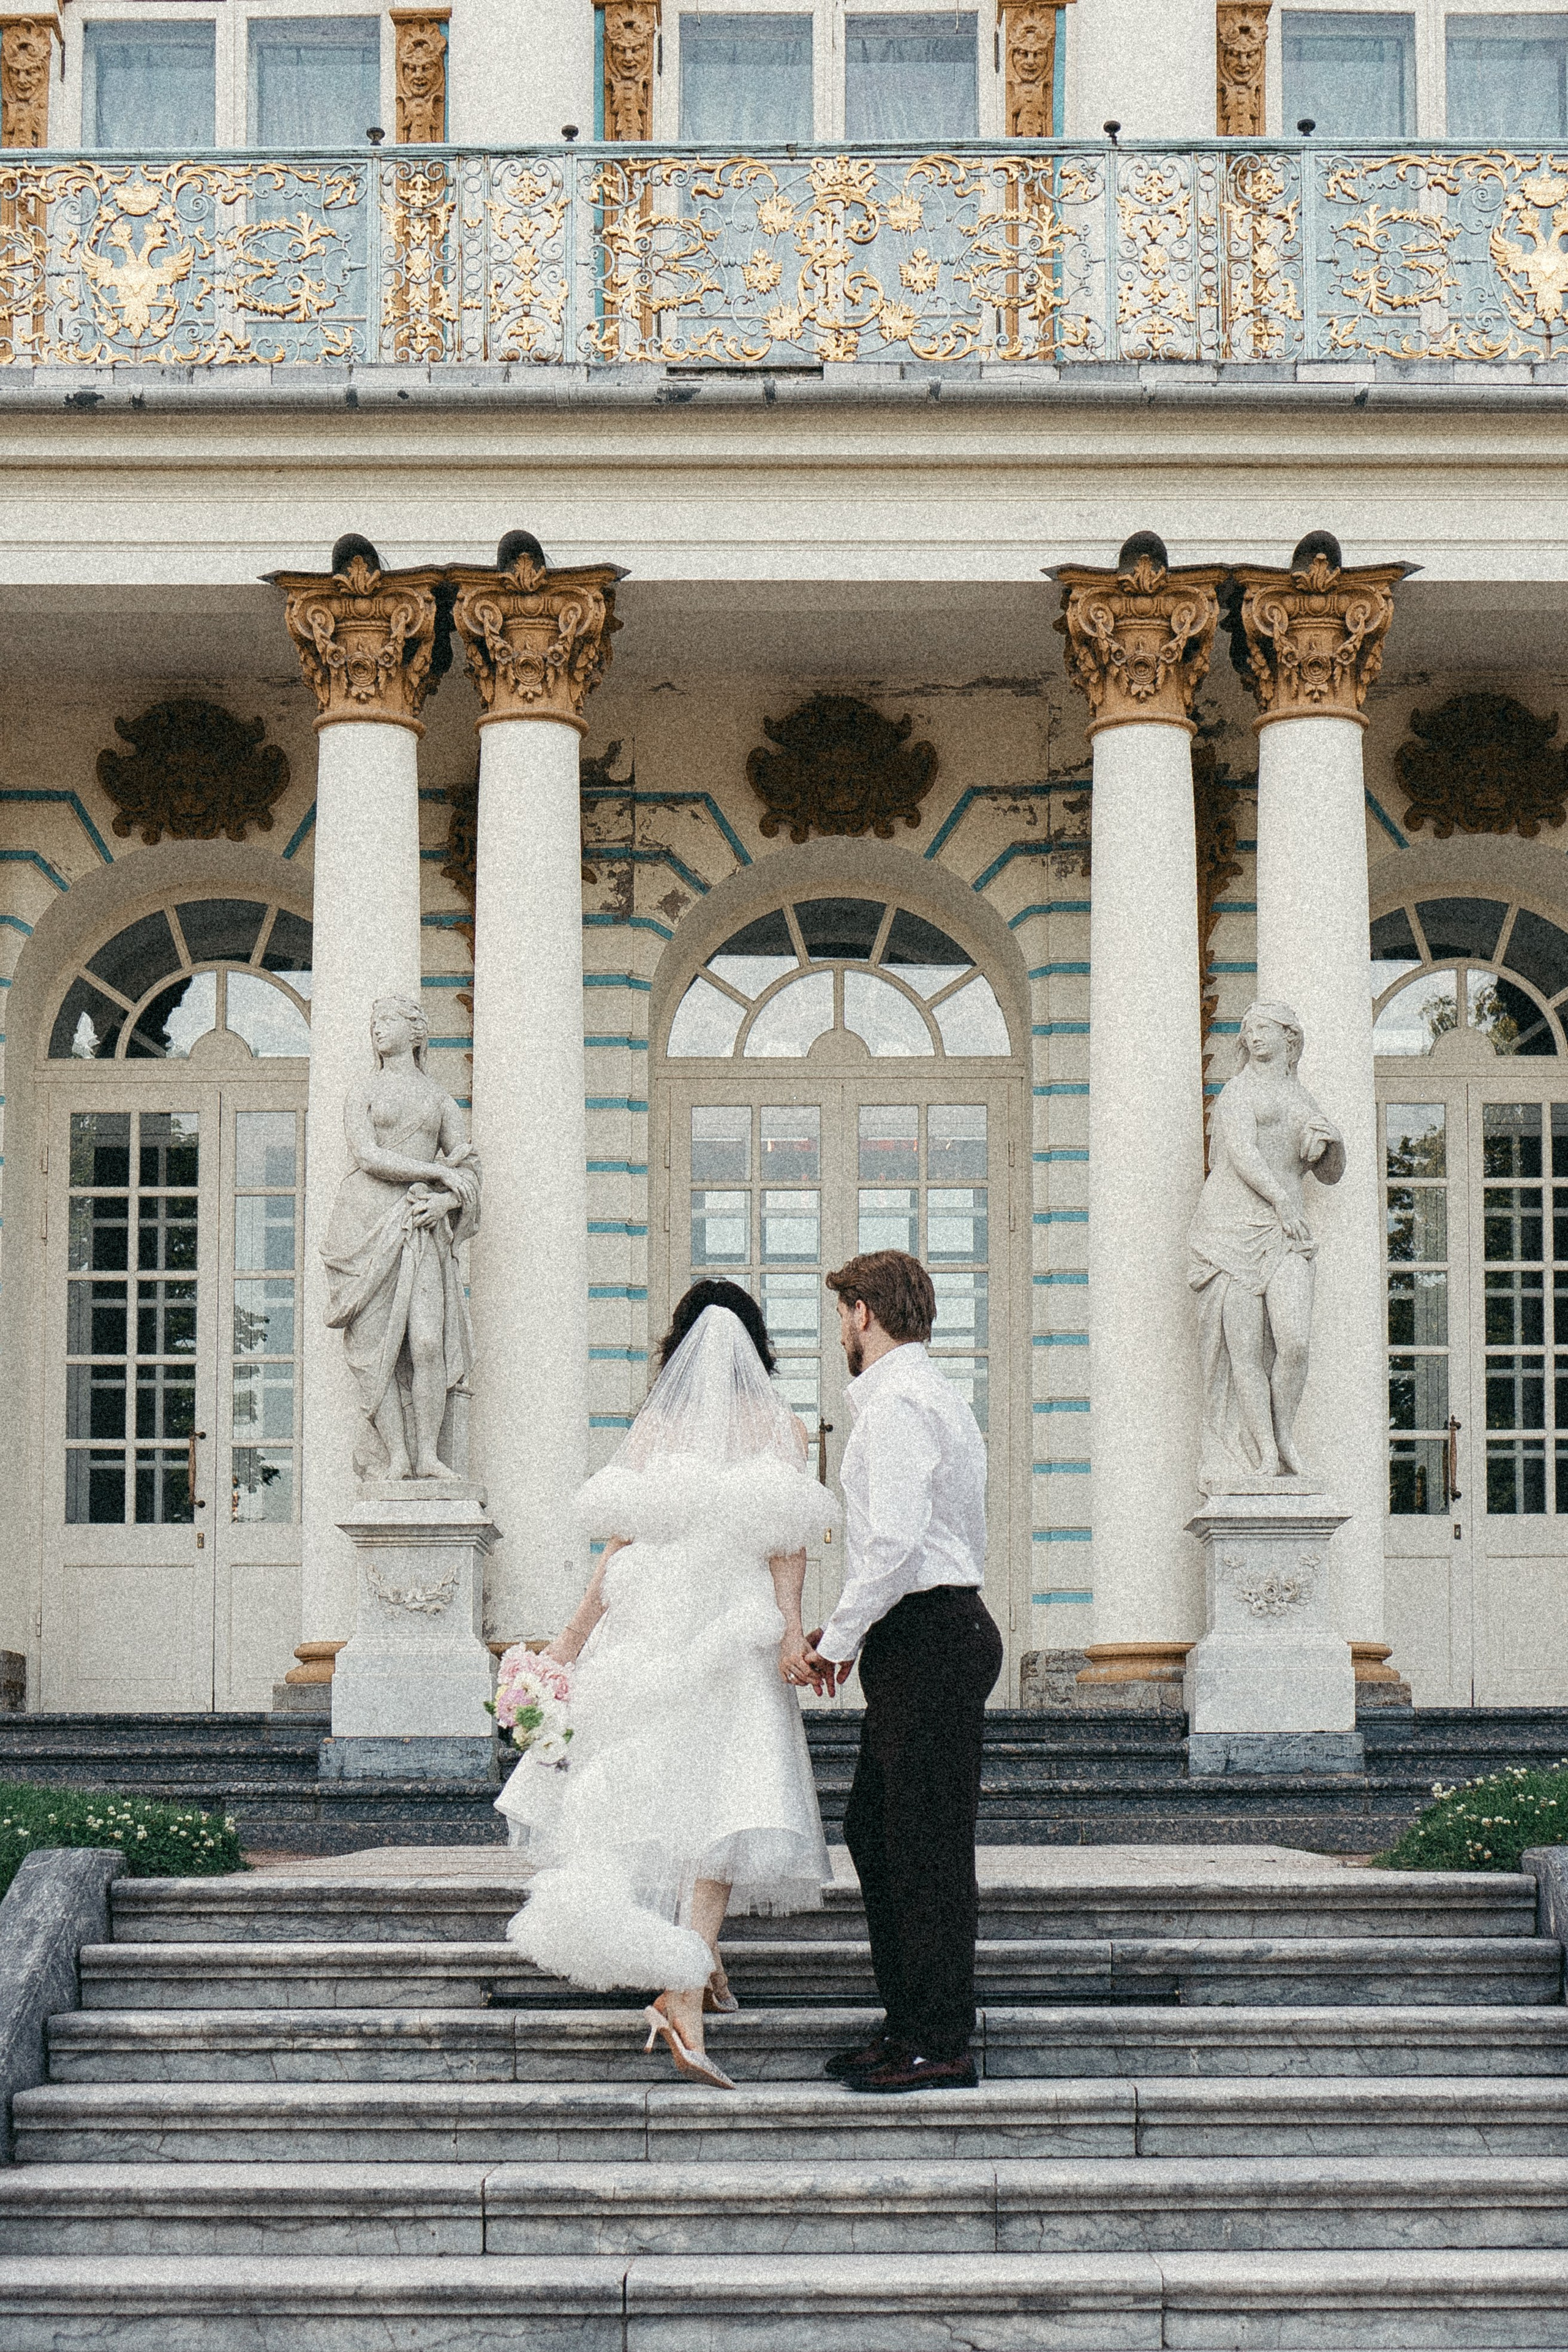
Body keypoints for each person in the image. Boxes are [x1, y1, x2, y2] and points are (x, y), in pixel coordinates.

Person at [500, 1280, 834, 2090]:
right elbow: (787, 1547)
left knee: (663, 1799)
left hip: (648, 1634)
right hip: (731, 1633)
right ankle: (686, 1984)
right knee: (724, 1803)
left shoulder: (657, 1427)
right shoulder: (781, 1428)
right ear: (762, 1349)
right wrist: (792, 1629)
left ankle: (693, 1970)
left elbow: (621, 1543)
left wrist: (573, 1641)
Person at [797, 1250, 1001, 2094]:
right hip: (926, 1629)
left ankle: (940, 2039)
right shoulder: (921, 1396)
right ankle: (910, 2022)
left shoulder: (898, 1405)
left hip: (931, 1633)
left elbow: (894, 1543)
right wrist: (856, 1628)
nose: (841, 1327)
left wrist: (839, 1640)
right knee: (879, 1833)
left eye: (843, 1311)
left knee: (923, 1845)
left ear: (862, 1315)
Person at [321, 993, 481, 1481]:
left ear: (416, 1032)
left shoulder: (438, 1099)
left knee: (428, 1343)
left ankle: (429, 1454)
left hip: (419, 1224)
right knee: (378, 1352)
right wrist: (435, 1171)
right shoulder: (363, 1091)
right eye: (375, 1020)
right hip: (365, 1223)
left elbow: (470, 1168)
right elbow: (367, 1155)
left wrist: (445, 1202)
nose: (378, 1028)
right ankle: (397, 1456)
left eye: (388, 1020)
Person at [1188, 1000, 1344, 1491]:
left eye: (1263, 1029)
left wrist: (1334, 1143)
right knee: (1245, 1352)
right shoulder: (1239, 1092)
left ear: (1289, 1038)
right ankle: (1265, 1455)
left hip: (1284, 1231)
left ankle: (1283, 1432)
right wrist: (1281, 1200)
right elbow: (1241, 1153)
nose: (1253, 1037)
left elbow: (1330, 1174)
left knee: (1294, 1340)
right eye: (1248, 1030)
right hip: (1231, 1227)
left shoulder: (1303, 1099)